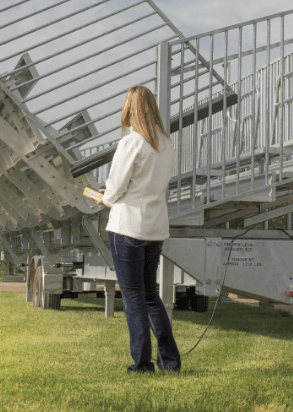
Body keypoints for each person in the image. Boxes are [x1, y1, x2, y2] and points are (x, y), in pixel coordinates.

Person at [98, 85, 181, 373]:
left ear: (129, 109)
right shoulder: (165, 144)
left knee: (133, 297)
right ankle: (170, 361)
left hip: (127, 227)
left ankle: (142, 363)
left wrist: (104, 198)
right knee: (149, 295)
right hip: (154, 228)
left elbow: (115, 188)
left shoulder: (131, 142)